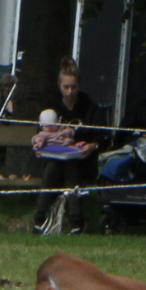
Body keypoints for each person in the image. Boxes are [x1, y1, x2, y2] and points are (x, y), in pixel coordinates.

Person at [30, 59, 107, 234]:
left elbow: (102, 137)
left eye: (73, 87)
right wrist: (40, 144)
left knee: (69, 164)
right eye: (66, 87)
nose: (70, 91)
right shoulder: (51, 109)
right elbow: (40, 134)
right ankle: (70, 220)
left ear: (79, 85)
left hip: (82, 161)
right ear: (59, 85)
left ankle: (43, 218)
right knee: (59, 164)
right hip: (54, 160)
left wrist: (90, 146)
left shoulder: (90, 107)